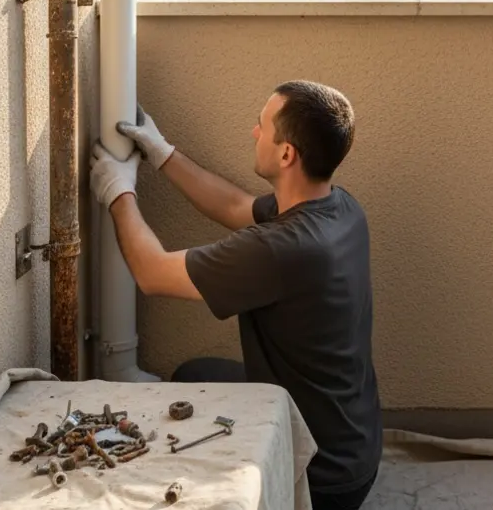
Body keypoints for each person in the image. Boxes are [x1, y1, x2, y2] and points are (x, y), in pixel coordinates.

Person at [88, 80, 382, 510]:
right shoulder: (340, 207)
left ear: (287, 154)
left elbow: (152, 273)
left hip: (323, 479)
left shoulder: (284, 249)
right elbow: (235, 207)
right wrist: (162, 152)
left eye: (262, 125)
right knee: (193, 375)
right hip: (355, 443)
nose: (253, 132)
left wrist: (118, 192)